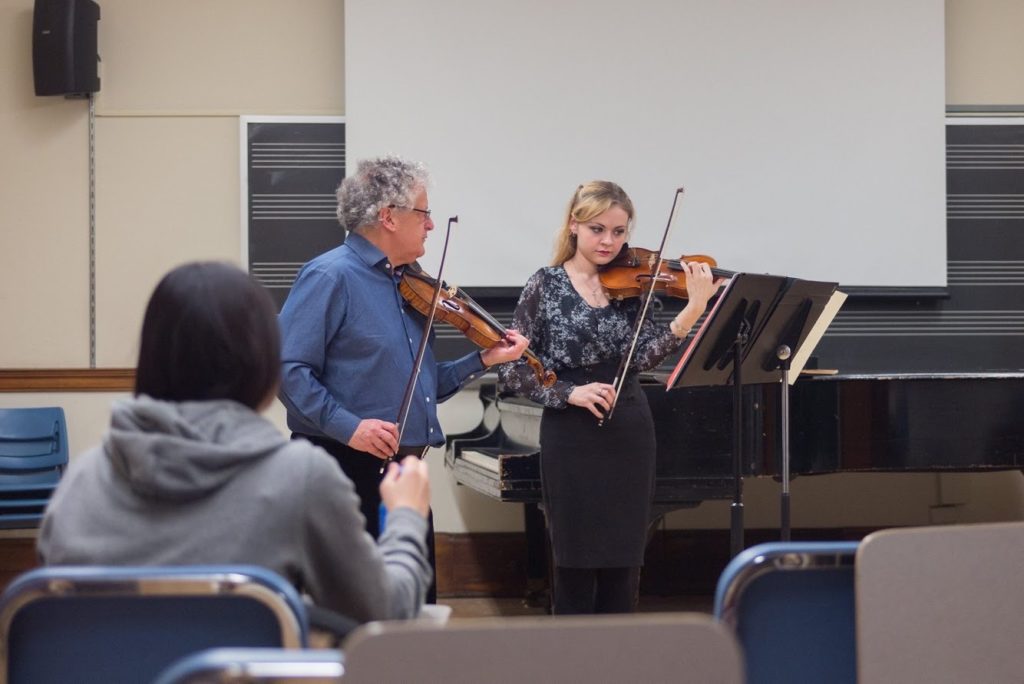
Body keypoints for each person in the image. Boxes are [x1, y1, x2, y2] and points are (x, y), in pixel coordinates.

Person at [38, 261, 432, 625]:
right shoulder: (301, 478)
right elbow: (384, 612)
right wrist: (407, 516)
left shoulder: (81, 481)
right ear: (260, 362)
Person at [277, 156, 529, 601]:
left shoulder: (409, 283)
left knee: (415, 604)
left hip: (401, 472)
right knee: (354, 613)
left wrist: (485, 359)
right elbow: (288, 370)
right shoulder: (330, 275)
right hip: (342, 469)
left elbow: (422, 383)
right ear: (388, 216)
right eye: (424, 212)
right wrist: (350, 427)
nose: (431, 225)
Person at [498, 180, 720, 615]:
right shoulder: (544, 285)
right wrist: (568, 392)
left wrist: (692, 313)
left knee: (624, 562)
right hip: (570, 432)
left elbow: (642, 357)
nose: (609, 242)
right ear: (574, 226)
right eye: (599, 229)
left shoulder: (634, 285)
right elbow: (512, 367)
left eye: (619, 232)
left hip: (629, 427)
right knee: (574, 562)